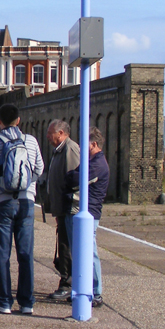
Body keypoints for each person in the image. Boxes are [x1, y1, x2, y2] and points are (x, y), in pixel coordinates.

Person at [0, 104, 44, 315]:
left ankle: (4, 302)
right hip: (26, 203)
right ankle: (26, 303)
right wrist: (26, 185)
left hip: (3, 203)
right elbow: (40, 169)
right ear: (19, 120)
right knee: (25, 253)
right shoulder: (31, 141)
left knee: (3, 254)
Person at [65, 126, 109, 307]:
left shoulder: (97, 165)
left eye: (85, 144)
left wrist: (72, 176)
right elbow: (74, 175)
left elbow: (75, 179)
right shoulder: (90, 161)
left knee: (90, 253)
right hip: (83, 210)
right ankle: (83, 289)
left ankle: (96, 292)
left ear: (94, 144)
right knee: (80, 253)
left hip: (89, 212)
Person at [41, 120, 80, 302]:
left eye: (51, 134)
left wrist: (68, 206)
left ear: (61, 133)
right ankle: (67, 280)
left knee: (67, 247)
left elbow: (74, 179)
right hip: (61, 208)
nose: (48, 137)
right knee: (63, 245)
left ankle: (68, 283)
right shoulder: (59, 150)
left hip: (68, 209)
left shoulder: (69, 150)